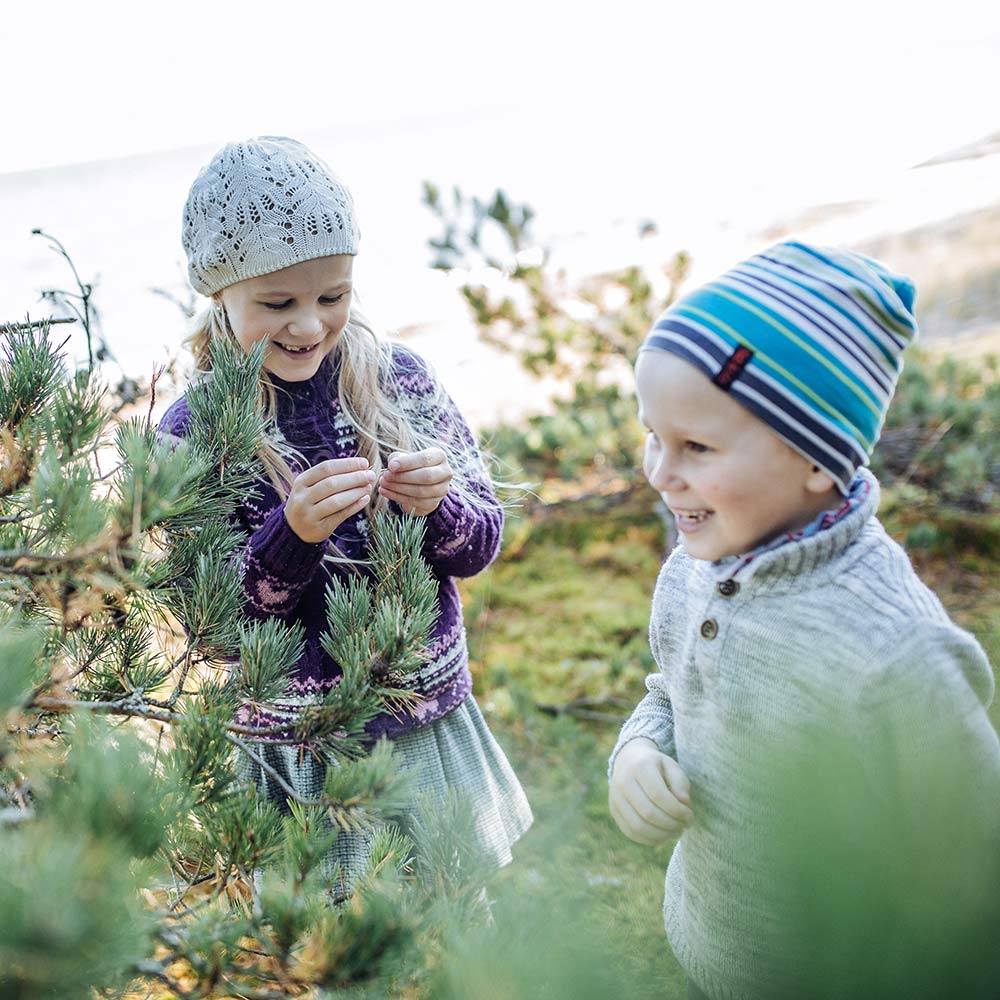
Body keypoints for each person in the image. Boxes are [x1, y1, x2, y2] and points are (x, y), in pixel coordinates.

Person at [607, 241, 1000, 999]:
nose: (659, 471)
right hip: (712, 954)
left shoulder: (895, 651)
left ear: (816, 458)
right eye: (652, 436)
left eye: (696, 445)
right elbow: (668, 693)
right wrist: (636, 753)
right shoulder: (694, 570)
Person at [159, 136, 532, 896]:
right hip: (301, 745)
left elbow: (480, 543)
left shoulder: (397, 380)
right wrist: (292, 536)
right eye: (276, 303)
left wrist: (438, 506)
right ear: (218, 294)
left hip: (421, 718)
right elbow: (219, 628)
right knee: (331, 940)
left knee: (458, 918)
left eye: (333, 296)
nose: (307, 326)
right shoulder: (194, 432)